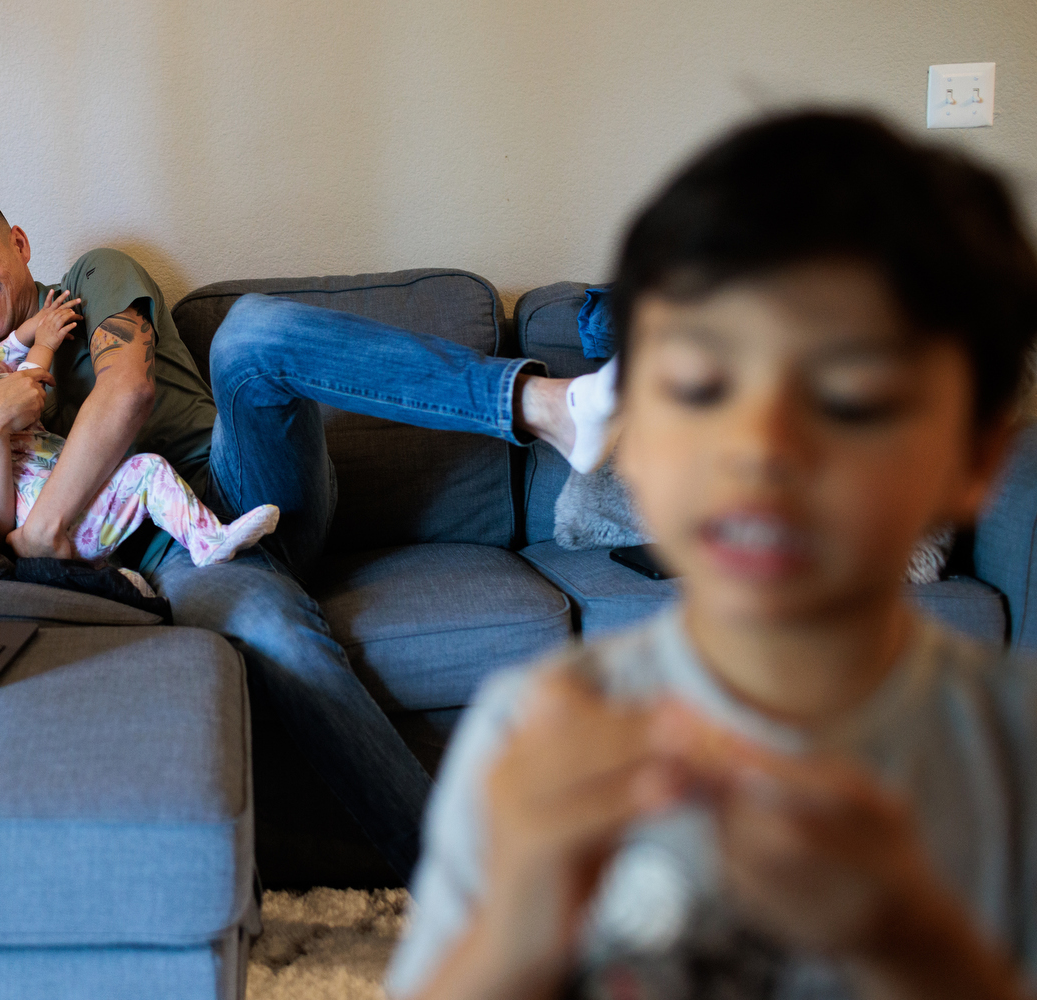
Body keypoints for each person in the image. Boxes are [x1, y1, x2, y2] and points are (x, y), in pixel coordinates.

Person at [385, 111, 1037, 999]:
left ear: (975, 460)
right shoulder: (530, 730)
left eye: (849, 396)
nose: (760, 445)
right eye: (700, 387)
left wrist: (914, 946)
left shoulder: (1012, 752)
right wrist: (517, 930)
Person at [0, 182, 616, 882]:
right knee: (275, 637)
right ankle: (462, 886)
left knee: (252, 330)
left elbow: (128, 390)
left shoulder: (95, 277)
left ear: (18, 245)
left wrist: (42, 532)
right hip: (172, 555)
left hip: (236, 478)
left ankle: (543, 404)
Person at [0, 314, 279, 571]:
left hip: (72, 502)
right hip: (52, 519)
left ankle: (124, 577)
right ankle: (208, 541)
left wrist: (32, 328)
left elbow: (1, 356)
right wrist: (43, 347)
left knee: (141, 474)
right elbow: (24, 390)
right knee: (148, 470)